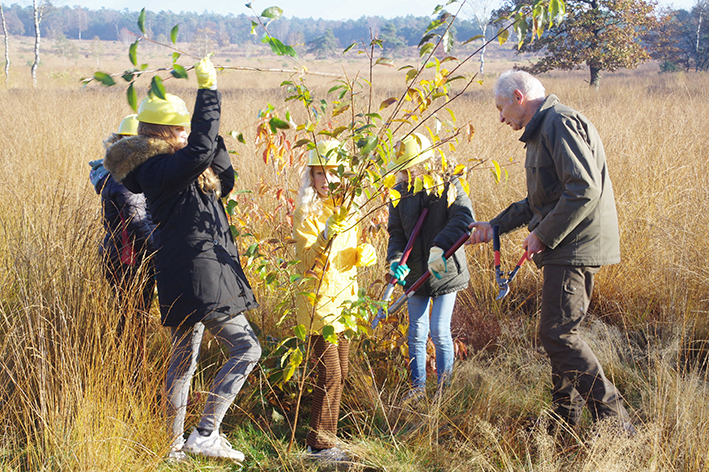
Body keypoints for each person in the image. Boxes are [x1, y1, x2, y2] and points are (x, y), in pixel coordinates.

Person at [104, 57, 262, 462]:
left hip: (182, 270)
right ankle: (205, 433)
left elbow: (223, 178)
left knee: (184, 358)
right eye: (181, 127)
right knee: (246, 349)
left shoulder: (173, 165)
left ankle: (173, 444)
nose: (186, 133)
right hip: (199, 271)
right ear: (164, 132)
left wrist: (211, 137)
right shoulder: (157, 167)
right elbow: (199, 152)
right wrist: (208, 92)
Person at [468, 70, 634, 433]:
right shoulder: (543, 131)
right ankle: (566, 421)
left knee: (558, 334)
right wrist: (494, 226)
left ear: (518, 96)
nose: (500, 118)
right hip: (565, 245)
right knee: (557, 333)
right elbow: (539, 200)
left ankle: (618, 426)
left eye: (500, 108)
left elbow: (583, 189)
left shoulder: (560, 123)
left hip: (573, 246)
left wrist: (543, 234)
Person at [292, 140, 377, 462]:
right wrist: (326, 234)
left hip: (346, 301)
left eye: (331, 173)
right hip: (318, 302)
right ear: (311, 178)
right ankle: (319, 445)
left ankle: (328, 439)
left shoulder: (349, 208)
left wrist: (362, 253)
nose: (326, 180)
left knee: (340, 371)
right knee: (328, 372)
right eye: (319, 174)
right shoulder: (306, 212)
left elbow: (348, 255)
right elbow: (308, 260)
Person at [385, 133, 474, 400]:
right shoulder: (399, 193)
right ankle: (418, 389)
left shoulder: (449, 183)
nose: (408, 174)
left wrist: (440, 247)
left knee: (438, 330)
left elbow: (463, 217)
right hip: (415, 273)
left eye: (412, 167)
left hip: (444, 270)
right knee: (416, 332)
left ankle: (443, 393)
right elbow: (396, 233)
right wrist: (395, 259)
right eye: (403, 169)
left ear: (427, 161)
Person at [89, 114, 156, 344]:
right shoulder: (126, 179)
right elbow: (137, 225)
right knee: (135, 318)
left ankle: (126, 366)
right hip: (131, 259)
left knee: (128, 315)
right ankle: (134, 373)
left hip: (117, 253)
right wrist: (160, 254)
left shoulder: (114, 172)